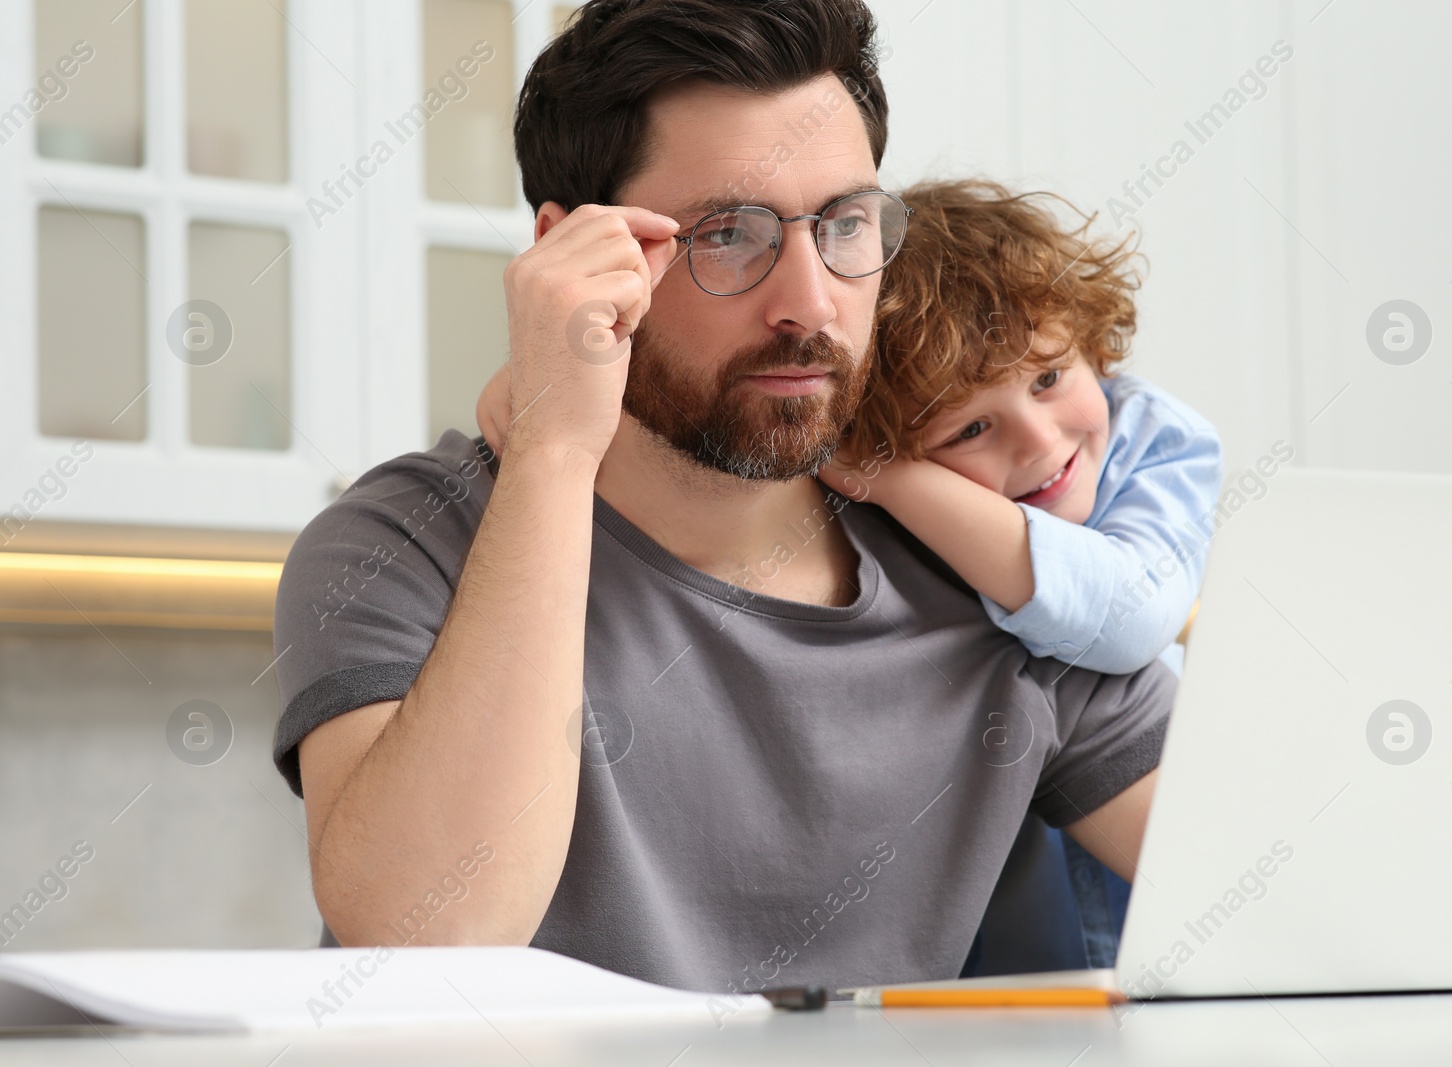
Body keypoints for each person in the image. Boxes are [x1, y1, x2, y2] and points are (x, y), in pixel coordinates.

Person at [270, 0, 1173, 996]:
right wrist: (553, 451)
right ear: (571, 255)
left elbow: (1304, 902)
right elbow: (431, 941)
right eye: (728, 234)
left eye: (844, 224)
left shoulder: (989, 567)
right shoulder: (405, 542)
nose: (809, 302)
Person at [475, 177, 1223, 968]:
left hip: (1148, 829)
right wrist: (543, 384)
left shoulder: (1156, 439)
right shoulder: (895, 544)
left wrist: (890, 477)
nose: (1039, 442)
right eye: (972, 427)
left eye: (1049, 378)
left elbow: (1129, 617)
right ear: (895, 435)